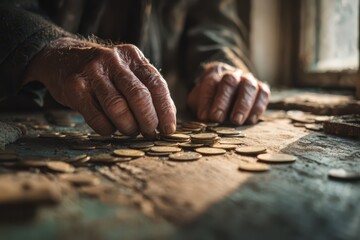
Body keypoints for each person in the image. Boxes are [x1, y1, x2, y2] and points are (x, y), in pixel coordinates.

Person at [0, 0, 270, 138]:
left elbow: (215, 22)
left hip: (155, 115)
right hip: (17, 109)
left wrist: (222, 63)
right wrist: (47, 47)